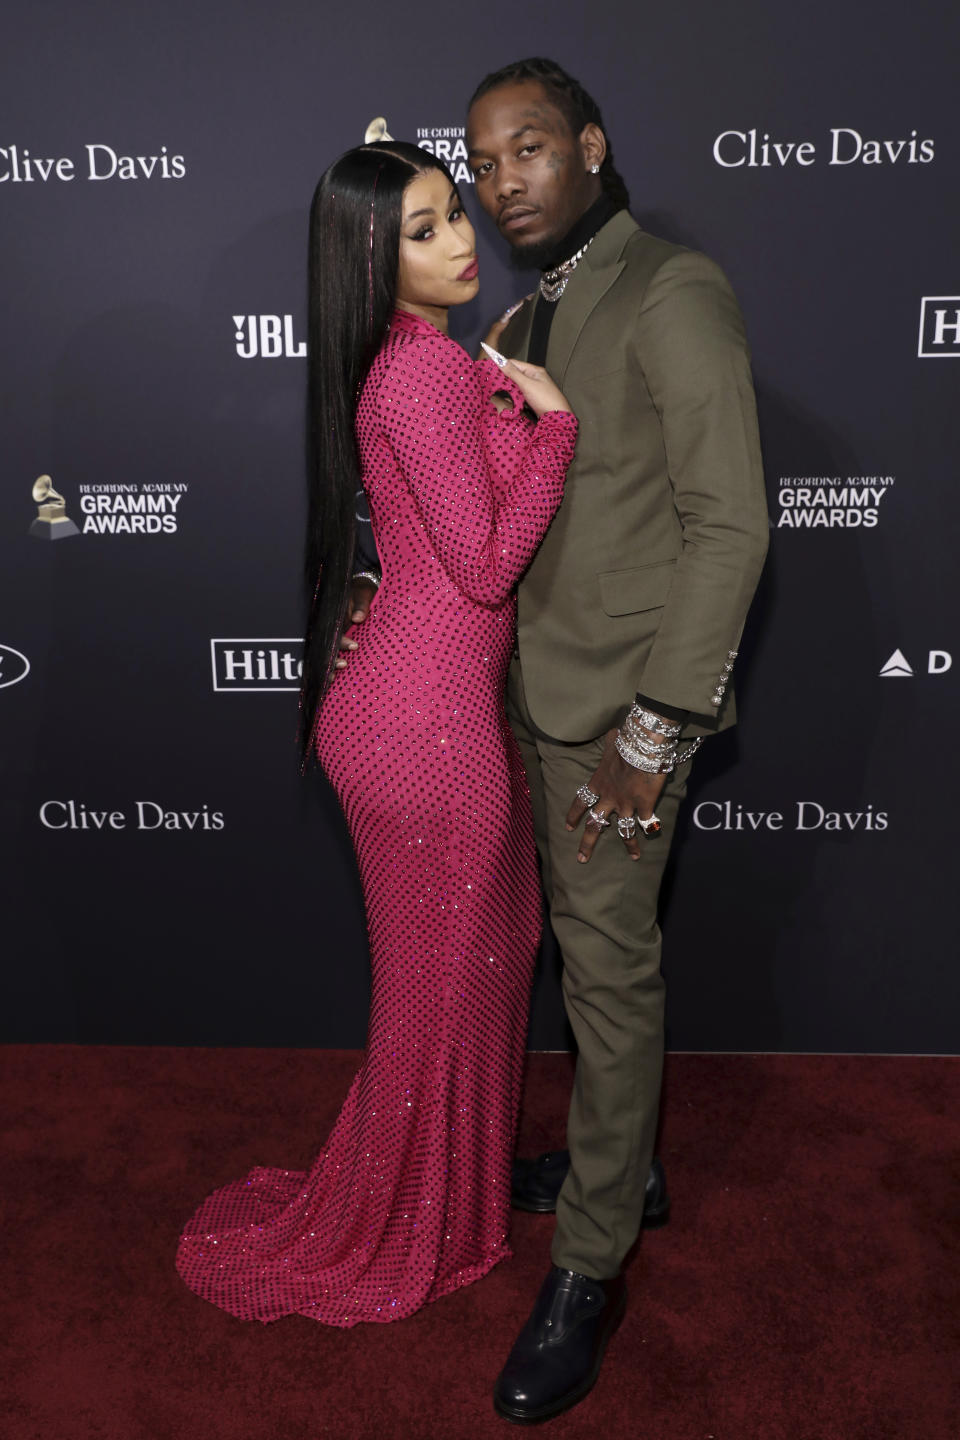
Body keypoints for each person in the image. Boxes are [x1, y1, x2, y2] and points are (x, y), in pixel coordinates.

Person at [348, 57, 769, 1420]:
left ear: (589, 145)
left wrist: (660, 727)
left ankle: (589, 1267)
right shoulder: (527, 310)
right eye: (483, 164)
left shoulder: (669, 288)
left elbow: (731, 527)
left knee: (605, 975)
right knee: (566, 965)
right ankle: (622, 1170)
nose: (503, 183)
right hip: (514, 710)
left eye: (529, 150)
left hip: (617, 723)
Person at [174, 141, 577, 1327]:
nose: (461, 239)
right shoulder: (413, 378)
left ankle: (452, 1193)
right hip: (422, 729)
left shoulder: (433, 362)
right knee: (437, 985)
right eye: (423, 228)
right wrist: (550, 424)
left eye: (456, 215)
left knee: (490, 956)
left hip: (435, 709)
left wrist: (501, 397)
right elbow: (490, 563)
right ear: (367, 252)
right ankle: (399, 1217)